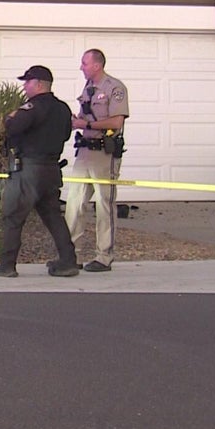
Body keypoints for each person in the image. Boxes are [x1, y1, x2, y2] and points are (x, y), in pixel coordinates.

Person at [0, 65, 80, 278]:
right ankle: (68, 262)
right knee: (53, 217)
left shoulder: (32, 108)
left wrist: (11, 117)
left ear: (39, 84)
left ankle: (7, 265)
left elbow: (12, 128)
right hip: (51, 170)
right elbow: (67, 134)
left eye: (27, 82)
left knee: (13, 217)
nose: (24, 86)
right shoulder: (63, 109)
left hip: (29, 170)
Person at [65, 49, 129, 272]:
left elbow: (117, 122)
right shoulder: (88, 88)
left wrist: (87, 125)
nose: (81, 67)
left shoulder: (114, 88)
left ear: (96, 65)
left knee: (104, 204)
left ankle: (104, 256)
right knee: (74, 202)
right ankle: (70, 253)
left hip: (104, 153)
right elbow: (85, 116)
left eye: (84, 63)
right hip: (84, 152)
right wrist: (76, 121)